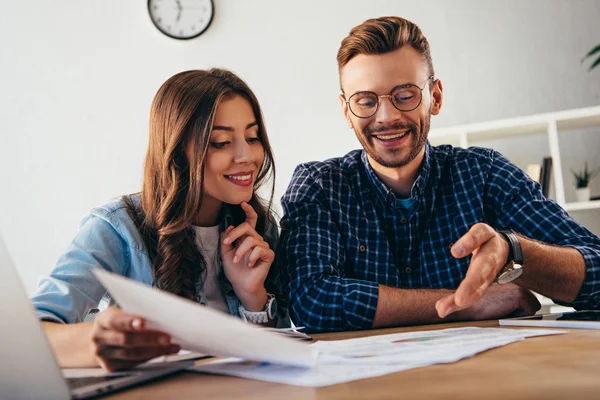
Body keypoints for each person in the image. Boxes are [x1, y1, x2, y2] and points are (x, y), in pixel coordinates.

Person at [279, 16, 600, 333]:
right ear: (347, 111)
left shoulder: (484, 172)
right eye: (366, 101)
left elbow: (596, 270)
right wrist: (465, 303)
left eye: (405, 95)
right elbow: (309, 300)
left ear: (436, 97)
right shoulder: (319, 186)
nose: (387, 117)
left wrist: (514, 252)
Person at [31, 69, 290, 371]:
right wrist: (94, 340)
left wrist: (253, 298)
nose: (247, 155)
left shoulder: (260, 228)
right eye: (221, 142)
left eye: (252, 136)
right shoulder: (117, 228)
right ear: (177, 150)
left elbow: (277, 359)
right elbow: (34, 332)